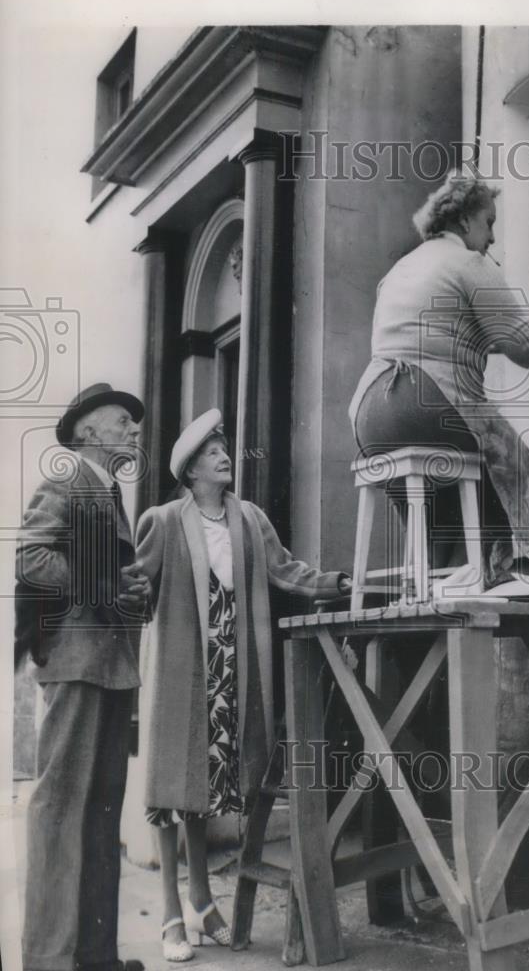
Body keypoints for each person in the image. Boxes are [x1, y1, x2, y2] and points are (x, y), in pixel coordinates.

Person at [135, 409, 351, 960]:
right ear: (190, 472)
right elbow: (133, 590)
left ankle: (203, 904)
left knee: (206, 787)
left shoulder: (249, 518)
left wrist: (338, 583)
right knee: (170, 789)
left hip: (233, 668)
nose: (223, 455)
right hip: (181, 669)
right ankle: (169, 917)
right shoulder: (162, 521)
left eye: (224, 445)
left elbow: (287, 571)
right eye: (211, 451)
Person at [349, 174, 529, 588]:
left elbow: (463, 336)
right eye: (488, 223)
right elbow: (521, 345)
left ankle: (440, 577)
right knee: (512, 462)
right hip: (422, 401)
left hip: (370, 411)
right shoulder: (468, 263)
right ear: (464, 222)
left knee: (445, 487)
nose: (492, 237)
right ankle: (496, 571)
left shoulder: (402, 269)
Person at [15, 382, 151, 971]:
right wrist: (107, 581)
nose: (134, 429)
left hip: (111, 667)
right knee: (60, 808)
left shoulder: (109, 491)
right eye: (123, 420)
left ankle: (95, 957)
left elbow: (110, 585)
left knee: (99, 813)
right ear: (89, 431)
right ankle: (48, 959)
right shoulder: (70, 479)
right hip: (76, 664)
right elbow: (31, 559)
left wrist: (133, 590)